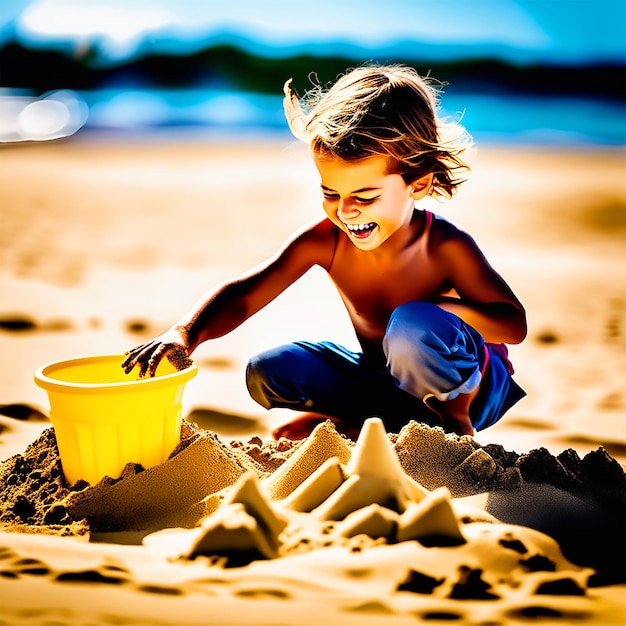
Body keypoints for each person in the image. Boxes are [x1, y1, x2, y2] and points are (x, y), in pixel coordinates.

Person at [122, 64, 527, 440]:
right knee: (269, 369)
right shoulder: (325, 240)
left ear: (417, 185)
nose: (345, 211)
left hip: (475, 388)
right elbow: (248, 294)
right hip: (386, 380)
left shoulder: (443, 246)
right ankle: (362, 420)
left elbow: (513, 325)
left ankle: (451, 422)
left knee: (412, 323)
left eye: (365, 196)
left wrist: (442, 309)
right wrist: (185, 334)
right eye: (330, 192)